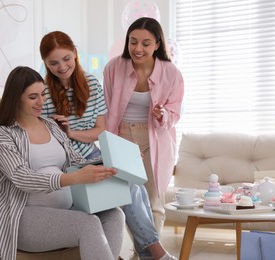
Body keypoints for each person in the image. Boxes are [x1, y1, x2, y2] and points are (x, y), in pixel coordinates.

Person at [40, 31, 177, 260]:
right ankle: (155, 252)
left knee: (135, 184)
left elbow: (100, 130)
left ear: (75, 54)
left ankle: (149, 253)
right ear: (45, 63)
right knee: (131, 188)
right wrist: (61, 134)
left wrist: (71, 132)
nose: (62, 67)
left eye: (66, 59)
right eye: (53, 63)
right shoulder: (43, 93)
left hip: (92, 155)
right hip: (68, 164)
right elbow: (44, 140)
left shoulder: (91, 83)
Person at [0, 66, 125, 260]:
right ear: (16, 98)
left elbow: (77, 161)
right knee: (88, 223)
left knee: (115, 215)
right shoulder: (3, 135)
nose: (41, 101)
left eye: (43, 94)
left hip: (67, 210)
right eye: (33, 97)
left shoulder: (51, 125)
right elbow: (22, 177)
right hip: (26, 218)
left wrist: (114, 161)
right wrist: (72, 179)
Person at [103, 17, 185, 235]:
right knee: (120, 201)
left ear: (157, 44)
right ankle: (127, 251)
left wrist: (163, 114)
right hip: (121, 136)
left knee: (153, 202)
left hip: (154, 139)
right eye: (133, 42)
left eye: (146, 43)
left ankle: (150, 255)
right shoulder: (113, 68)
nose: (138, 48)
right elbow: (109, 106)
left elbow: (175, 112)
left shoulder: (171, 73)